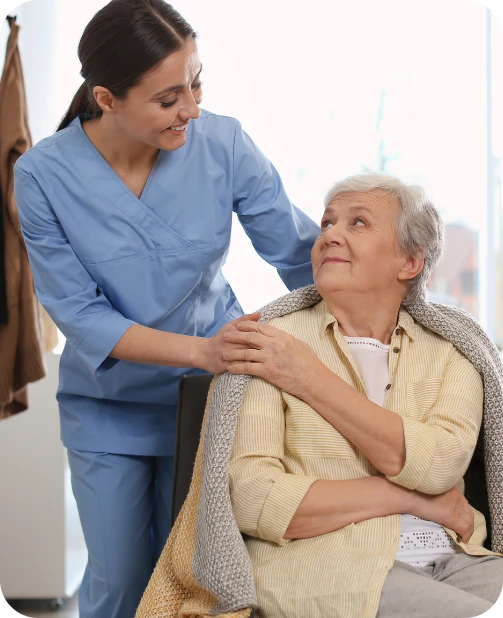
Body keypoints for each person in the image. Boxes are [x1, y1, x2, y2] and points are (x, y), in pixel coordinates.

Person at [12, 1, 320, 616]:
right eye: (168, 98)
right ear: (107, 98)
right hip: (109, 408)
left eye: (197, 83)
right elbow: (79, 313)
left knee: (196, 582)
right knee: (123, 583)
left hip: (211, 403)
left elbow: (296, 252)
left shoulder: (223, 143)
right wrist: (204, 351)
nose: (192, 109)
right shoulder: (43, 175)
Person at [225, 174, 503, 618]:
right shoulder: (273, 344)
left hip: (456, 557)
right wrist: (411, 499)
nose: (330, 234)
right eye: (327, 223)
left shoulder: (454, 350)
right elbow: (253, 498)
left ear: (409, 262)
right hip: (333, 566)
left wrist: (309, 377)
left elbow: (439, 465)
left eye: (357, 222)